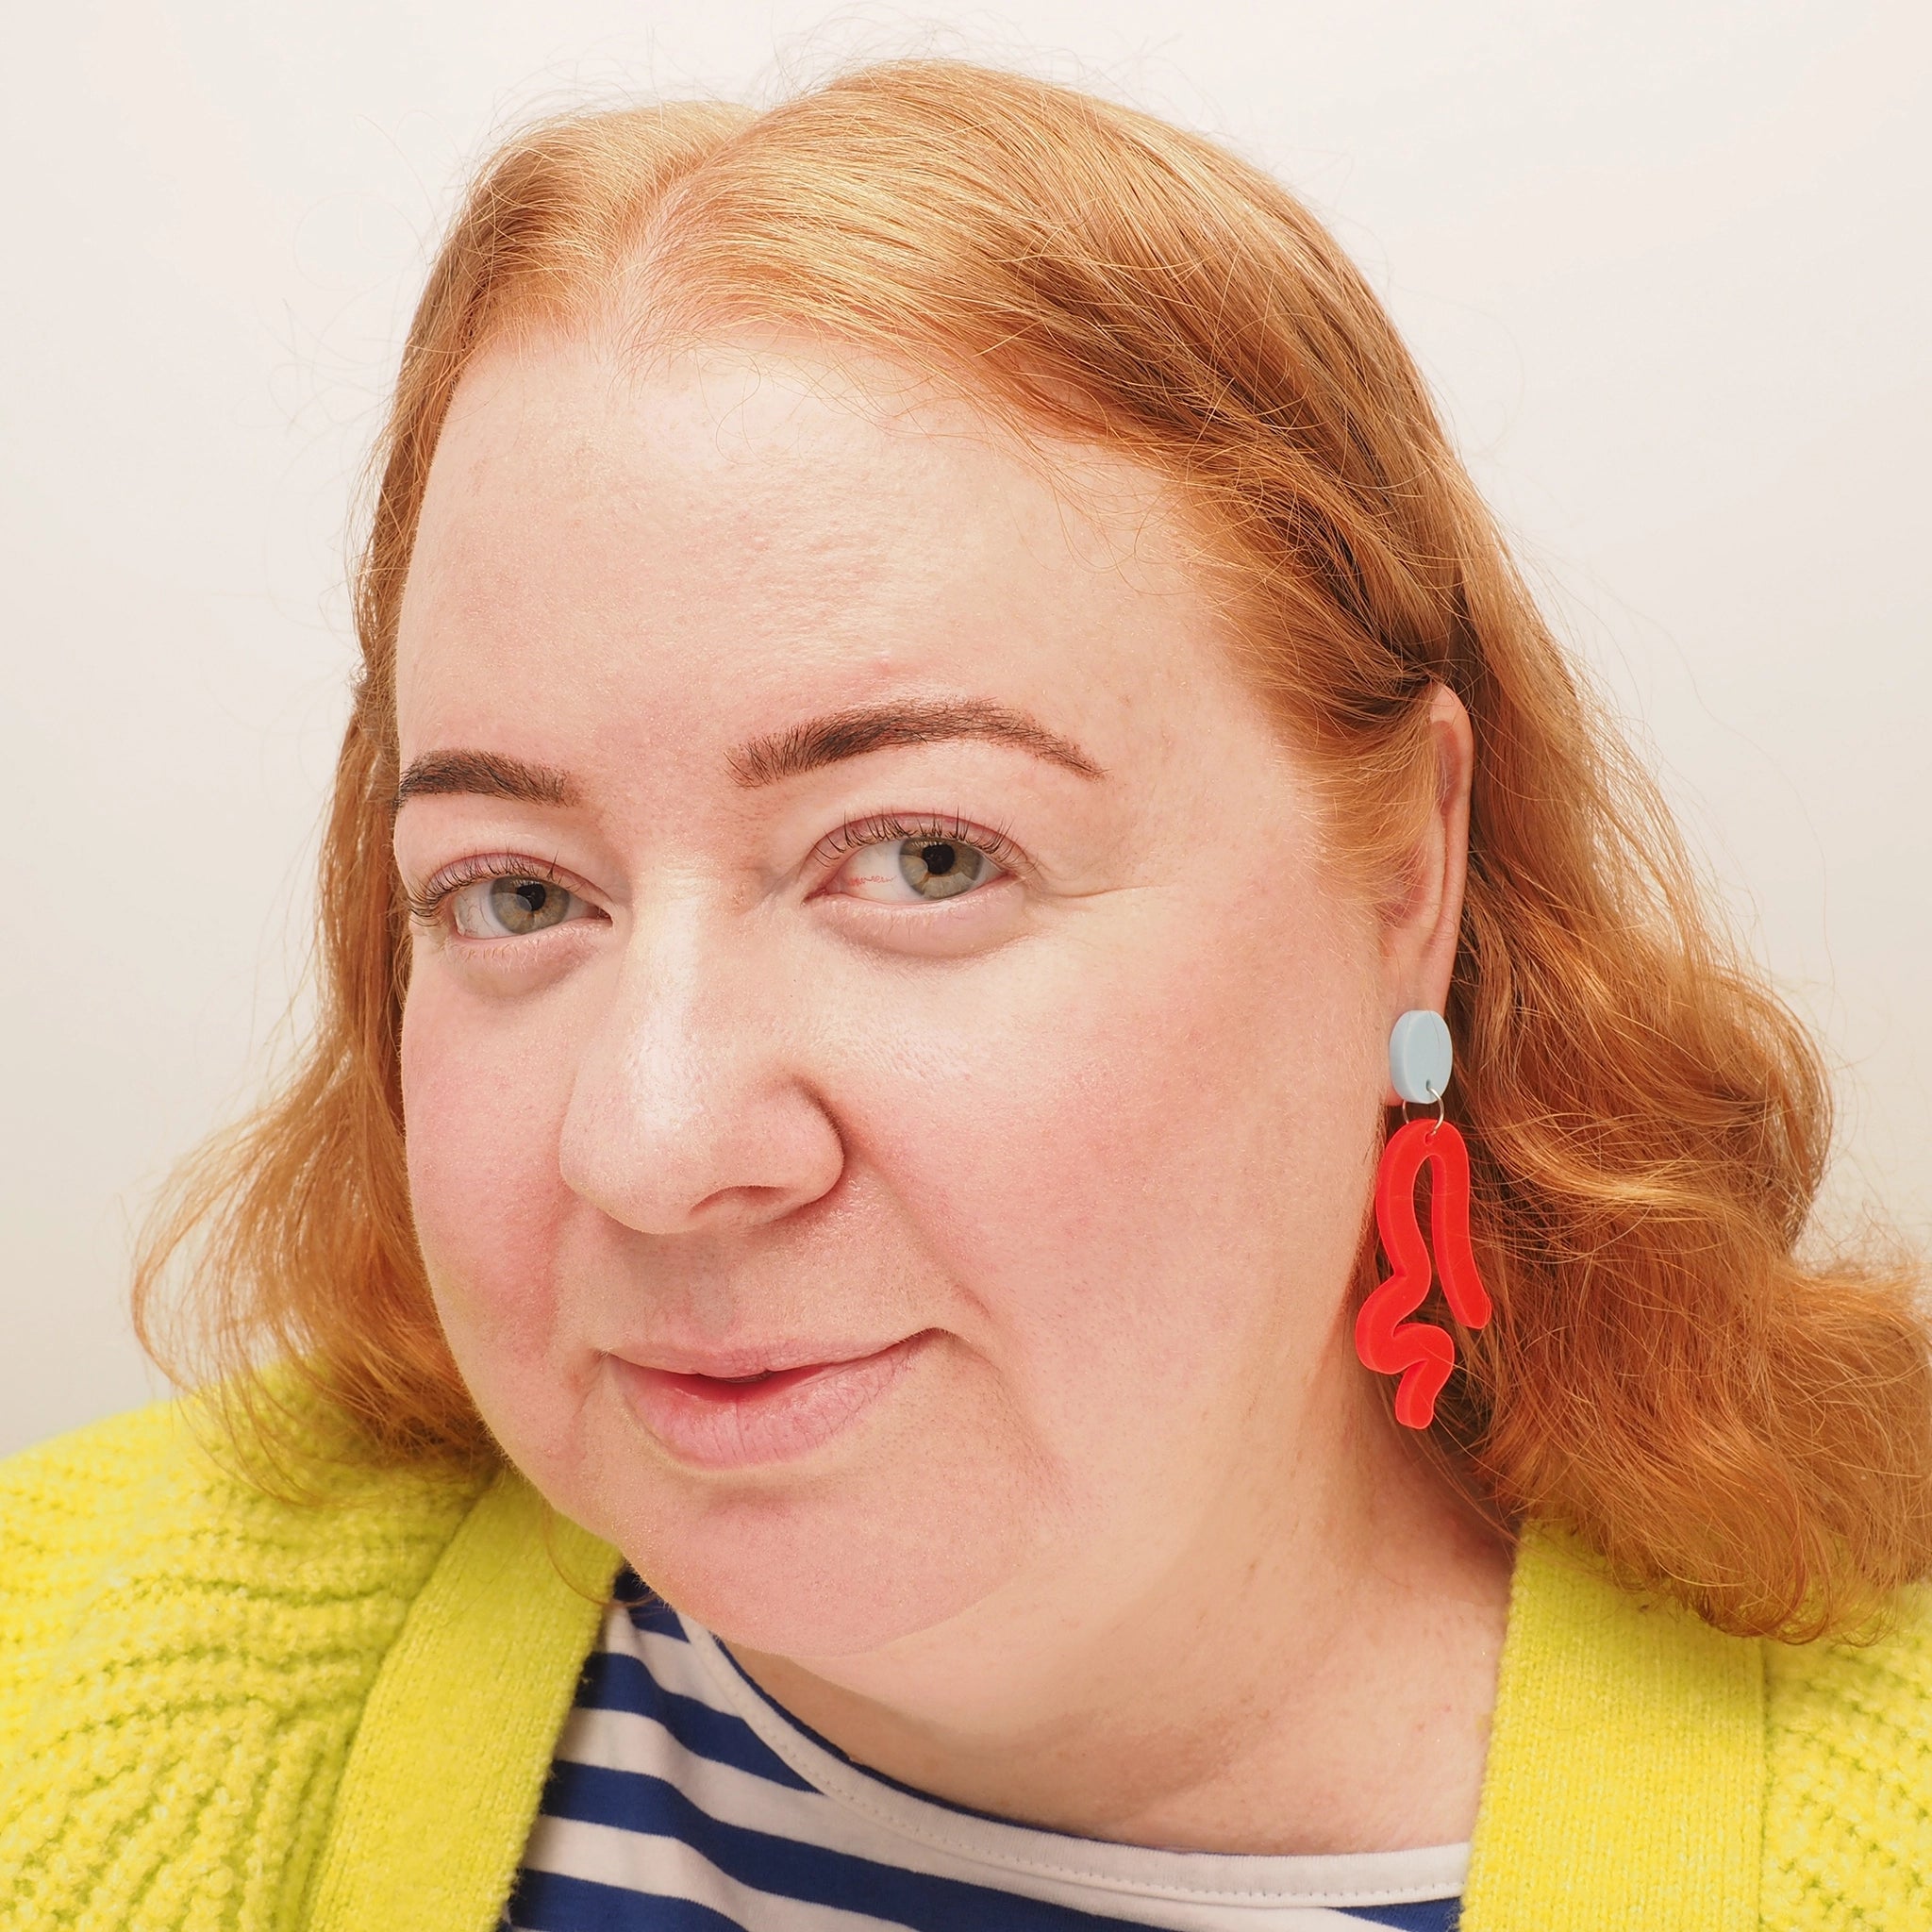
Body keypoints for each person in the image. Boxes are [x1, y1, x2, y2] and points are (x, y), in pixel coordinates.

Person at [3, 58, 1928, 1932]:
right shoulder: (60, 1700)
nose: (652, 1143)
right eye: (516, 893)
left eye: (927, 857)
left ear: (1406, 877)